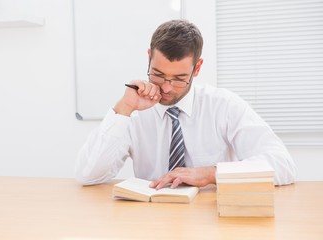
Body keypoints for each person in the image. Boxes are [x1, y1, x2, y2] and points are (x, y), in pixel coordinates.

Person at [75, 19, 297, 189]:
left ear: (197, 68)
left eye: (179, 78)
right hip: (149, 222)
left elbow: (283, 165)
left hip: (212, 222)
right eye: (158, 74)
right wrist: (123, 109)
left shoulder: (224, 106)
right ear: (149, 58)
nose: (167, 88)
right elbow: (88, 175)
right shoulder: (133, 110)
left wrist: (211, 174)